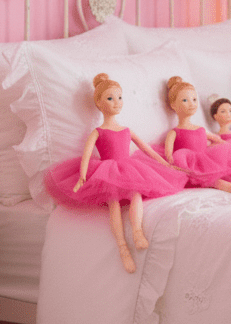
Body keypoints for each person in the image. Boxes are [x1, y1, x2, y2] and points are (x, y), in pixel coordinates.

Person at [44, 73, 186, 273]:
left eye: (119, 97)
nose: (117, 102)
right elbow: (86, 156)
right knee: (114, 202)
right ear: (99, 103)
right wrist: (82, 176)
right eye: (110, 98)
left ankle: (137, 232)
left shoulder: (126, 130)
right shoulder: (98, 132)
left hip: (129, 167)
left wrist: (165, 164)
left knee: (136, 193)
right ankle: (122, 247)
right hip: (106, 170)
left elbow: (147, 150)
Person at [163, 77, 231, 196]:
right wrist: (172, 165)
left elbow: (217, 140)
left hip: (205, 161)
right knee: (214, 180)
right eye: (185, 100)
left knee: (226, 174)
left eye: (194, 99)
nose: (192, 104)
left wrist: (230, 147)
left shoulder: (200, 129)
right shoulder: (174, 132)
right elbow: (168, 155)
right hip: (188, 165)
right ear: (173, 105)